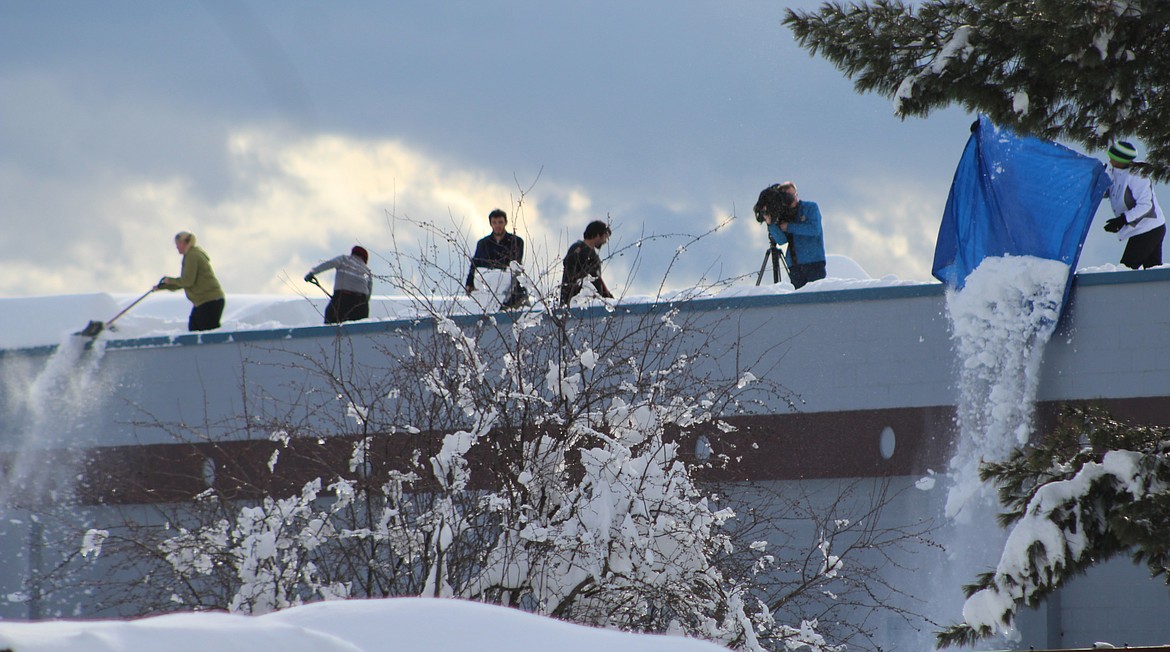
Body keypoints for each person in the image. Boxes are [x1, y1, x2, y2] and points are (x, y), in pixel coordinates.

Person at [1102, 141, 1166, 269]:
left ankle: (1121, 289)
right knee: (1153, 271)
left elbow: (1145, 205)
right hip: (1142, 229)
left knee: (1126, 268)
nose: (1109, 160)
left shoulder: (1137, 177)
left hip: (1149, 228)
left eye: (1112, 157)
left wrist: (1122, 220)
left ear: (1121, 160)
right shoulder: (1115, 171)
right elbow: (1110, 192)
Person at [755, 181, 826, 289]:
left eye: (793, 195)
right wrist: (771, 224)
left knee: (817, 298)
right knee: (799, 302)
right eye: (787, 196)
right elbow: (782, 241)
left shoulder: (810, 208)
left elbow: (814, 230)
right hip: (794, 266)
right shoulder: (782, 215)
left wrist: (789, 227)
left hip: (814, 263)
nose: (791, 199)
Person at [157, 231, 225, 332]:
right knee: (194, 327)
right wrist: (162, 286)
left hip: (209, 300)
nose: (177, 247)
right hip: (204, 302)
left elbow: (187, 281)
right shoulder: (190, 255)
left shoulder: (192, 256)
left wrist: (170, 280)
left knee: (204, 332)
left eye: (178, 243)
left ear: (185, 242)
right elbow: (185, 282)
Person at [464, 208, 526, 307]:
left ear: (505, 222)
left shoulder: (516, 241)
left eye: (500, 222)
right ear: (491, 224)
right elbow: (475, 264)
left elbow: (516, 265)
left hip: (510, 287)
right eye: (494, 222)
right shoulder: (483, 243)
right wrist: (469, 283)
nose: (497, 225)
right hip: (487, 287)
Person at [305, 245, 373, 324]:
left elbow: (329, 264)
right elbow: (369, 289)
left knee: (331, 324)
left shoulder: (344, 259)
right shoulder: (367, 270)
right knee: (360, 330)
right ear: (365, 258)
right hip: (361, 304)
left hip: (343, 299)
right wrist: (363, 302)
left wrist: (312, 272)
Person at [560, 220, 613, 305]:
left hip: (592, 303)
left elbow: (597, 279)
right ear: (598, 235)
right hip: (575, 303)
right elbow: (570, 275)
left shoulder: (594, 256)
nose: (605, 241)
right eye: (605, 236)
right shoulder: (577, 249)